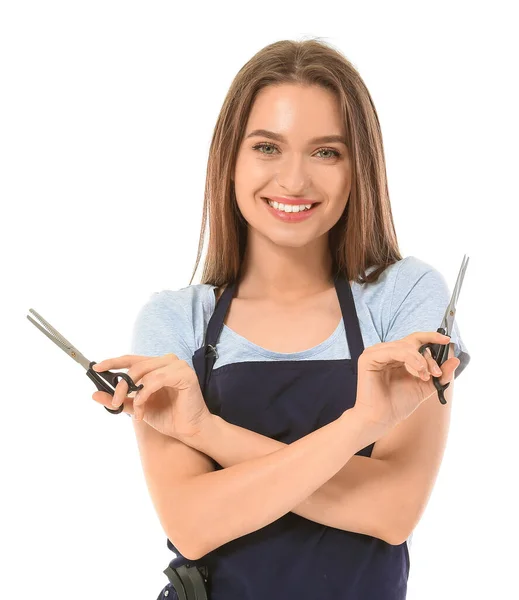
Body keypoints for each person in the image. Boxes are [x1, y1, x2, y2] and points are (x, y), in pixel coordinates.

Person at [93, 38, 471, 599]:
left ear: (358, 167)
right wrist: (359, 430)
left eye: (326, 152)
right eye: (268, 147)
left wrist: (208, 435)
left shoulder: (405, 297)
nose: (294, 181)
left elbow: (393, 510)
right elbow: (193, 526)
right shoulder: (176, 322)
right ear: (231, 159)